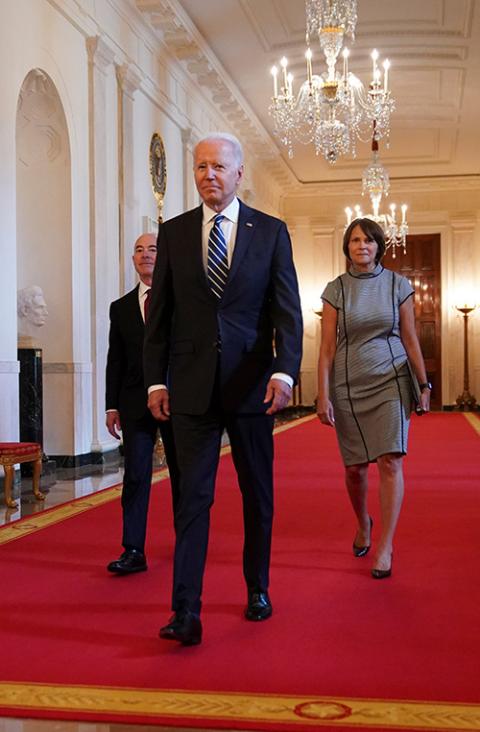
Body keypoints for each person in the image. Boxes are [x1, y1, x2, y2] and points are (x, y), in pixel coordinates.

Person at [144, 132, 303, 645]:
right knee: (192, 497)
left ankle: (257, 586)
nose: (208, 174)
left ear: (239, 175)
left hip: (253, 387)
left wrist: (283, 372)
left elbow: (287, 313)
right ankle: (185, 610)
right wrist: (154, 381)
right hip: (190, 389)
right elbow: (159, 320)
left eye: (218, 166)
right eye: (200, 166)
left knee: (257, 494)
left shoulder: (271, 232)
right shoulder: (174, 233)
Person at [316, 218, 430, 579]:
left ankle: (385, 544)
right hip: (349, 384)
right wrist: (323, 394)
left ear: (379, 245)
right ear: (346, 247)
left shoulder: (398, 285)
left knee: (391, 461)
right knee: (354, 468)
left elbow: (410, 338)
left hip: (391, 379)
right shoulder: (336, 290)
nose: (361, 246)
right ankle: (363, 522)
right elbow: (327, 349)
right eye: (354, 240)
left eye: (368, 240)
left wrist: (423, 386)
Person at [105, 233, 179, 575]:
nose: (145, 255)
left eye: (152, 249)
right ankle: (133, 548)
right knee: (136, 474)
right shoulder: (119, 308)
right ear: (133, 259)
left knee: (182, 474)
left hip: (176, 399)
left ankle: (187, 541)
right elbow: (115, 360)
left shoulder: (180, 300)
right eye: (139, 250)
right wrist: (111, 406)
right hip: (134, 402)